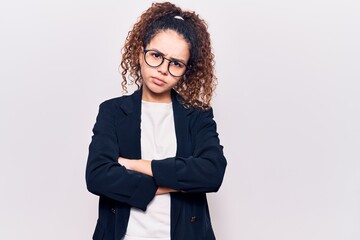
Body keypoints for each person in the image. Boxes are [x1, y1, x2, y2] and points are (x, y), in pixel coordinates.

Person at [86, 2, 227, 240]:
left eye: (176, 63)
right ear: (140, 54)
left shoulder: (198, 114)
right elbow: (98, 176)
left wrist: (135, 165)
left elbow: (212, 173)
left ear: (186, 70)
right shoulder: (112, 111)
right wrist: (178, 182)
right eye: (156, 56)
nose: (163, 69)